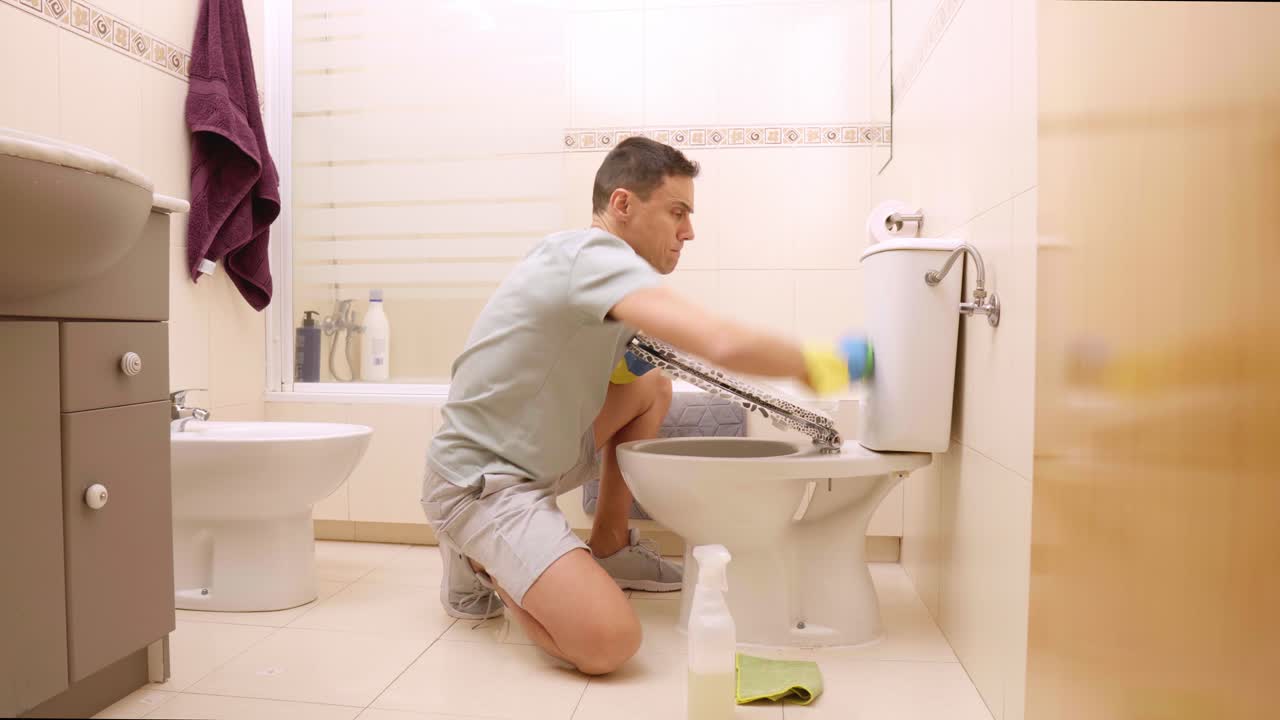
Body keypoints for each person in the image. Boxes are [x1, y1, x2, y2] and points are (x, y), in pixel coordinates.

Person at [422, 137, 831, 675]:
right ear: (622, 205)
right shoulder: (591, 256)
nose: (689, 231)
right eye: (677, 212)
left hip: (532, 460)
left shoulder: (606, 277)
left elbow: (625, 371)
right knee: (610, 643)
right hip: (480, 483)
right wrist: (816, 364)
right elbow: (721, 342)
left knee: (652, 387)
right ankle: (480, 558)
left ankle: (609, 544)